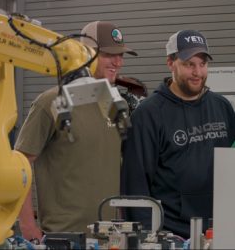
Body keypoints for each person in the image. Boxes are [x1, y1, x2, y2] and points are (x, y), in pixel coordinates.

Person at [14, 20, 137, 241]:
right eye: (109, 54)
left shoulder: (117, 104)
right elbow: (19, 166)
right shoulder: (53, 102)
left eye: (121, 55)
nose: (118, 62)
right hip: (63, 237)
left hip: (109, 237)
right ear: (86, 54)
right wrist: (27, 226)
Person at [121, 29, 235, 239]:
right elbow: (135, 186)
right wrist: (148, 238)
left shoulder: (222, 107)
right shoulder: (149, 114)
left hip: (219, 230)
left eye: (202, 64)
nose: (198, 72)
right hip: (171, 234)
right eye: (189, 64)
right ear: (170, 63)